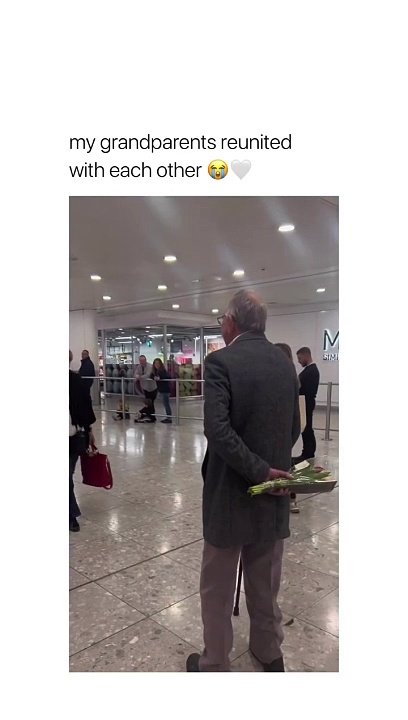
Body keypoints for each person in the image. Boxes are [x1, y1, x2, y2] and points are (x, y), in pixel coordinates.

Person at [186, 290, 300, 673]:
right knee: (265, 582)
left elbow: (217, 430)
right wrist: (270, 469)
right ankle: (268, 652)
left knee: (217, 588)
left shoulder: (220, 362)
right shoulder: (284, 363)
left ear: (231, 322)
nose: (222, 324)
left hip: (229, 496)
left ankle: (215, 661)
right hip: (273, 495)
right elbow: (294, 429)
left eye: (222, 319)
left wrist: (257, 470)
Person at [275, 343, 306, 514]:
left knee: (284, 464)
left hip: (281, 429)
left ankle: (290, 496)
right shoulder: (292, 374)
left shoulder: (283, 375)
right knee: (285, 462)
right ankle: (290, 497)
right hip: (286, 431)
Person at [69, 350, 96, 532]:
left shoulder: (75, 381)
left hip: (72, 436)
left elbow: (85, 408)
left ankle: (70, 514)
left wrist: (89, 430)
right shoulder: (76, 380)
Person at [292, 346, 320, 463]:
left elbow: (305, 389)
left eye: (300, 358)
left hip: (306, 402)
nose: (299, 361)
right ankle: (307, 452)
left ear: (306, 356)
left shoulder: (311, 371)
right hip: (305, 402)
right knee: (306, 428)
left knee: (307, 428)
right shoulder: (310, 370)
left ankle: (308, 453)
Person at [134, 355, 157, 423]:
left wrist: (139, 377)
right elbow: (135, 373)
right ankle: (150, 416)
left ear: (145, 360)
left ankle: (144, 413)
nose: (142, 362)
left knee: (150, 403)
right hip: (145, 388)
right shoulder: (139, 367)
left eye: (143, 360)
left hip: (152, 388)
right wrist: (137, 376)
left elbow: (148, 375)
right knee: (149, 403)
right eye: (140, 361)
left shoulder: (150, 366)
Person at [151, 358, 172, 423]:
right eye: (155, 363)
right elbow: (151, 375)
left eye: (158, 363)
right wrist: (154, 377)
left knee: (166, 404)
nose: (157, 365)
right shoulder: (155, 371)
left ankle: (169, 418)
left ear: (160, 364)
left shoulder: (162, 371)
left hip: (165, 390)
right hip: (161, 390)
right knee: (165, 404)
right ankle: (168, 417)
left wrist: (160, 378)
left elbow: (168, 376)